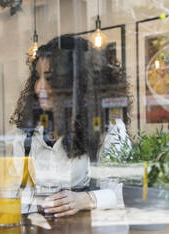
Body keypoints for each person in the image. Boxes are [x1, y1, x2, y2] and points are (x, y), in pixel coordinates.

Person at [9, 35, 128, 217]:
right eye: (37, 77)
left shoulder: (109, 129)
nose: (39, 87)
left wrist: (84, 200)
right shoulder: (26, 133)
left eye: (49, 79)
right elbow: (15, 194)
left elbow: (121, 193)